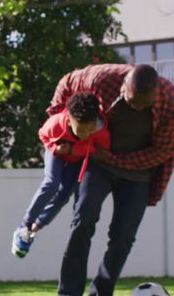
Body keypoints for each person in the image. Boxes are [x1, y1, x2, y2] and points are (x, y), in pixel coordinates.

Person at [44, 63, 174, 296]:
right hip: (97, 165)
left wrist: (117, 159)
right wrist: (61, 124)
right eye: (133, 102)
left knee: (122, 238)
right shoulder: (102, 79)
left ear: (155, 94)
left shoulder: (171, 100)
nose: (138, 109)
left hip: (138, 173)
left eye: (145, 105)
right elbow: (67, 81)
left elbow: (162, 151)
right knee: (82, 221)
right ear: (123, 87)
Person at [11, 92, 111, 258]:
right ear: (69, 118)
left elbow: (103, 152)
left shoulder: (101, 131)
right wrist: (54, 148)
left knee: (63, 196)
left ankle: (32, 231)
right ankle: (23, 226)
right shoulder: (56, 123)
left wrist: (74, 149)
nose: (85, 135)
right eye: (80, 130)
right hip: (56, 153)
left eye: (89, 130)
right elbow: (43, 134)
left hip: (76, 160)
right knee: (52, 183)